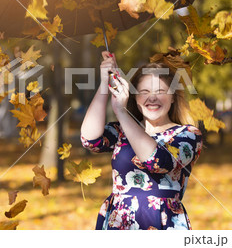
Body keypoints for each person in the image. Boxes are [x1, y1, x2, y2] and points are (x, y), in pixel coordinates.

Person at [80, 50, 203, 230]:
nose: (152, 97)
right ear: (135, 97)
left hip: (161, 222)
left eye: (160, 91)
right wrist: (104, 83)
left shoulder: (188, 135)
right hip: (119, 221)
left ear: (173, 98)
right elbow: (89, 140)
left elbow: (157, 161)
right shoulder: (121, 131)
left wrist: (121, 113)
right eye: (144, 91)